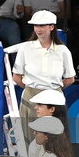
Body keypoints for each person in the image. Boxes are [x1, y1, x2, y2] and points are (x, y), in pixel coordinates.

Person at [12, 10, 75, 145]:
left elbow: (70, 78)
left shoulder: (63, 51)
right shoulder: (25, 48)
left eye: (42, 25)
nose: (38, 29)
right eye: (36, 26)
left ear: (51, 27)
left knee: (56, 140)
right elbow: (16, 77)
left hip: (54, 97)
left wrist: (54, 90)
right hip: (31, 95)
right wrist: (31, 88)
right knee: (29, 138)